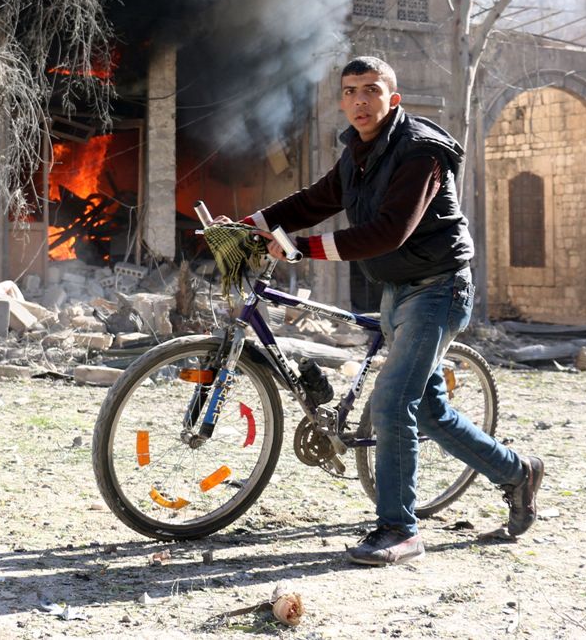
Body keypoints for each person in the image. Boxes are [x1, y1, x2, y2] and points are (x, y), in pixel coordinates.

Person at [221, 56, 544, 566]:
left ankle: (399, 530)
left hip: (438, 289)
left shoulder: (421, 151)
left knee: (392, 404)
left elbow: (390, 231)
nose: (360, 100)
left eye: (371, 90)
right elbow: (315, 200)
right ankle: (517, 473)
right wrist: (247, 225)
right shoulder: (358, 153)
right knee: (429, 412)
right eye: (350, 91)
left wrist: (302, 249)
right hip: (395, 290)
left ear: (393, 99)